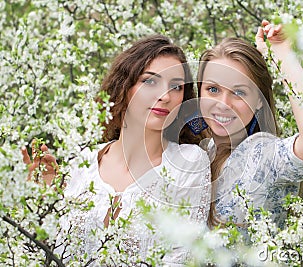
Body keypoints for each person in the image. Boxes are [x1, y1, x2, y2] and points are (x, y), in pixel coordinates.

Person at [22, 35, 211, 266]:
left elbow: (183, 256)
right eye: (150, 81)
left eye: (176, 87)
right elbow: (51, 252)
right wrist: (44, 203)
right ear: (124, 87)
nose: (165, 96)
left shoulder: (189, 163)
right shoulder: (81, 163)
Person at [197, 20, 303, 230]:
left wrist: (282, 55)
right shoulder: (199, 152)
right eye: (213, 89)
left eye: (239, 92)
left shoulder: (262, 154)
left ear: (259, 100)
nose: (223, 104)